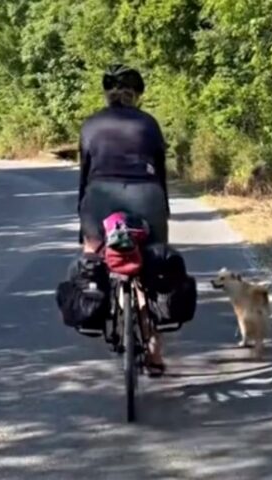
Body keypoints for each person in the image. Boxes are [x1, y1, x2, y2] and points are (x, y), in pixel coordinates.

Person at [77, 64, 169, 376]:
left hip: (99, 198)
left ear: (107, 93)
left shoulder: (91, 124)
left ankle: (92, 308)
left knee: (94, 259)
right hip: (148, 197)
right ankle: (154, 352)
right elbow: (160, 170)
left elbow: (84, 175)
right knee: (149, 268)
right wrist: (163, 209)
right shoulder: (149, 124)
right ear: (138, 95)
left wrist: (84, 223)